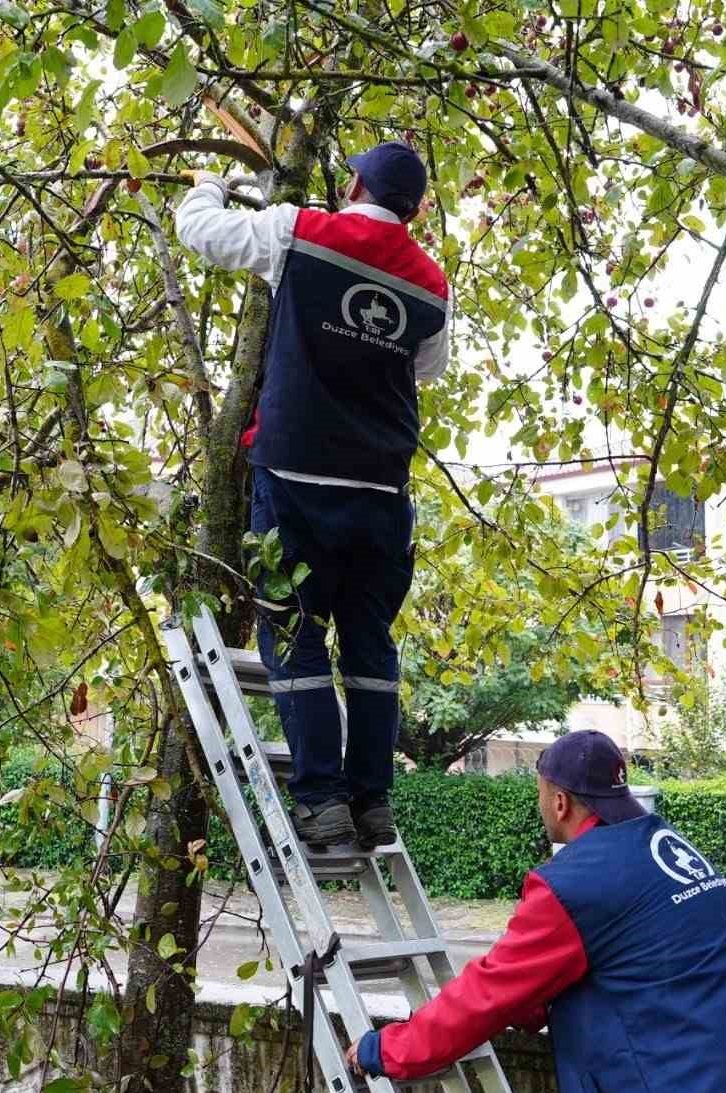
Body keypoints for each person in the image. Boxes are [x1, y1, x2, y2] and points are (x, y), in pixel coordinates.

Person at [346, 729, 726, 1093]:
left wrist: (388, 1049)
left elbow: (488, 994)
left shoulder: (576, 882)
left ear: (559, 802)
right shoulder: (669, 849)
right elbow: (636, 966)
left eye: (540, 793)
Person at [174, 142, 449, 850]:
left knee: (295, 639)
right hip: (382, 492)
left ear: (354, 183)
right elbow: (429, 369)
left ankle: (323, 801)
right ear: (414, 208)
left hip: (296, 480)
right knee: (368, 647)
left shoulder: (302, 231)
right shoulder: (431, 284)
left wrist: (213, 184)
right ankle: (372, 801)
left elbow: (201, 232)